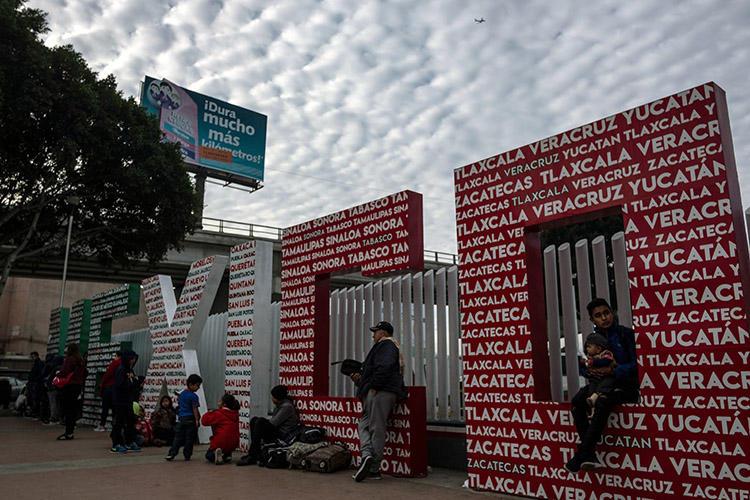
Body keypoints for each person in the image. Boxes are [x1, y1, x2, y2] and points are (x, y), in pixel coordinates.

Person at [565, 298, 639, 473]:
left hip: (624, 387)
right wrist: (589, 370)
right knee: (577, 402)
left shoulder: (626, 334)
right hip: (599, 385)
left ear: (612, 312)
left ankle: (580, 456)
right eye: (598, 315)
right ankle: (589, 455)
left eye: (606, 313)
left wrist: (616, 371)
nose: (604, 318)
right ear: (592, 320)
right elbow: (587, 365)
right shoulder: (592, 339)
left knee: (603, 401)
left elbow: (639, 364)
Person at [351, 320, 407, 482]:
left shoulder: (387, 345)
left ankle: (373, 467)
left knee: (376, 427)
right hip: (378, 390)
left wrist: (374, 386)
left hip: (381, 391)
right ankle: (367, 456)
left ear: (382, 333)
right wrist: (359, 380)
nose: (373, 336)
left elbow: (385, 366)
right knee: (364, 424)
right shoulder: (384, 346)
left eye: (375, 332)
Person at [236, 384, 298, 466]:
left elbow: (274, 423)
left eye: (273, 397)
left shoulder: (287, 407)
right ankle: (255, 452)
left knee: (260, 422)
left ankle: (252, 455)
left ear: (277, 397)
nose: (272, 399)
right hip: (277, 430)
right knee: (254, 420)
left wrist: (264, 422)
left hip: (283, 435)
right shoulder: (279, 406)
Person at [109, 349, 140, 453]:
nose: (133, 361)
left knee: (130, 421)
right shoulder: (121, 370)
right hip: (120, 400)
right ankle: (116, 444)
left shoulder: (130, 370)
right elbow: (120, 384)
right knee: (119, 423)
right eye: (132, 359)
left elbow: (133, 381)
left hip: (128, 400)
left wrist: (136, 383)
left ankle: (129, 442)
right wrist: (132, 384)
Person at [165, 374, 202, 461]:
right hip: (190, 419)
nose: (198, 388)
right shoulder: (194, 396)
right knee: (189, 438)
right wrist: (197, 420)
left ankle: (172, 454)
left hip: (181, 419)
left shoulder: (182, 394)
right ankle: (187, 455)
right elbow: (195, 408)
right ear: (191, 385)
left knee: (178, 438)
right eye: (197, 385)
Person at [579, 333, 616, 417]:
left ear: (598, 348)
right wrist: (584, 365)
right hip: (595, 379)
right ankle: (592, 410)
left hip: (606, 377)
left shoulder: (606, 354)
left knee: (604, 386)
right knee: (591, 390)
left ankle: (596, 395)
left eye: (589, 347)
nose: (587, 349)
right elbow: (585, 369)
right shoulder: (589, 356)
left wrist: (592, 362)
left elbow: (606, 361)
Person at [56, 343, 87, 440]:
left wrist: (58, 373)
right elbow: (86, 372)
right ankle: (70, 431)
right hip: (78, 386)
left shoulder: (70, 359)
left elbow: (64, 372)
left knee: (68, 409)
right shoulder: (81, 360)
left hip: (69, 386)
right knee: (73, 409)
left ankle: (68, 433)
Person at [201, 393, 240, 465]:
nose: (218, 402)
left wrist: (209, 413)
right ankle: (227, 454)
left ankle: (218, 454)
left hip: (221, 442)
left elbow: (204, 422)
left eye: (220, 401)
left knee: (208, 455)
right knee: (228, 441)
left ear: (224, 404)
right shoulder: (235, 413)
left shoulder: (219, 413)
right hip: (234, 443)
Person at [96, 352, 121, 432]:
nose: (114, 358)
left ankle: (102, 425)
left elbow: (107, 375)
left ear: (118, 356)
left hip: (109, 388)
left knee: (105, 408)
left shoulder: (114, 364)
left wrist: (102, 385)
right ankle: (114, 425)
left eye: (115, 356)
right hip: (117, 389)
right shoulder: (125, 365)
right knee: (115, 408)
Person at [28, 351, 44, 418]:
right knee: (34, 398)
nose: (32, 358)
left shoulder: (38, 363)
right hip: (35, 382)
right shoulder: (37, 363)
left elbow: (40, 373)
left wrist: (35, 379)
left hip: (36, 383)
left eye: (33, 356)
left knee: (35, 398)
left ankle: (35, 412)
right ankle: (35, 412)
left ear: (36, 356)